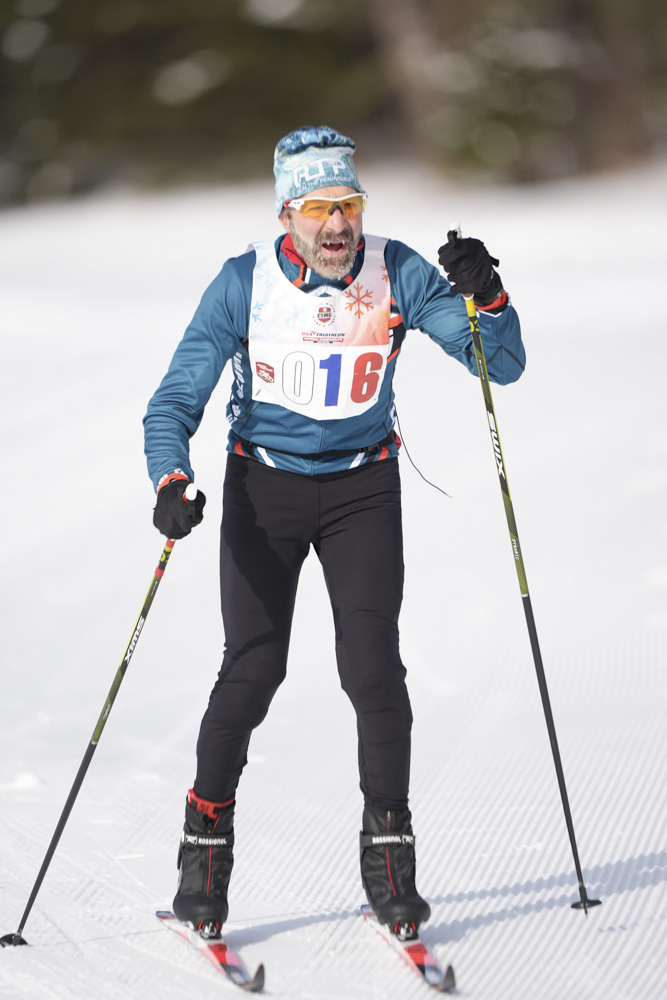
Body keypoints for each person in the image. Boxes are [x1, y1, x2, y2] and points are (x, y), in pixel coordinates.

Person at [143, 125, 525, 937]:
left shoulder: (398, 271)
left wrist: (487, 296)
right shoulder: (243, 282)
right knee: (252, 672)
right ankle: (202, 856)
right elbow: (174, 400)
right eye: (317, 208)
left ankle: (389, 864)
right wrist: (170, 479)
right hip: (263, 489)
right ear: (286, 213)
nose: (336, 225)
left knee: (373, 670)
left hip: (362, 490)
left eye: (347, 204)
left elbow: (498, 364)